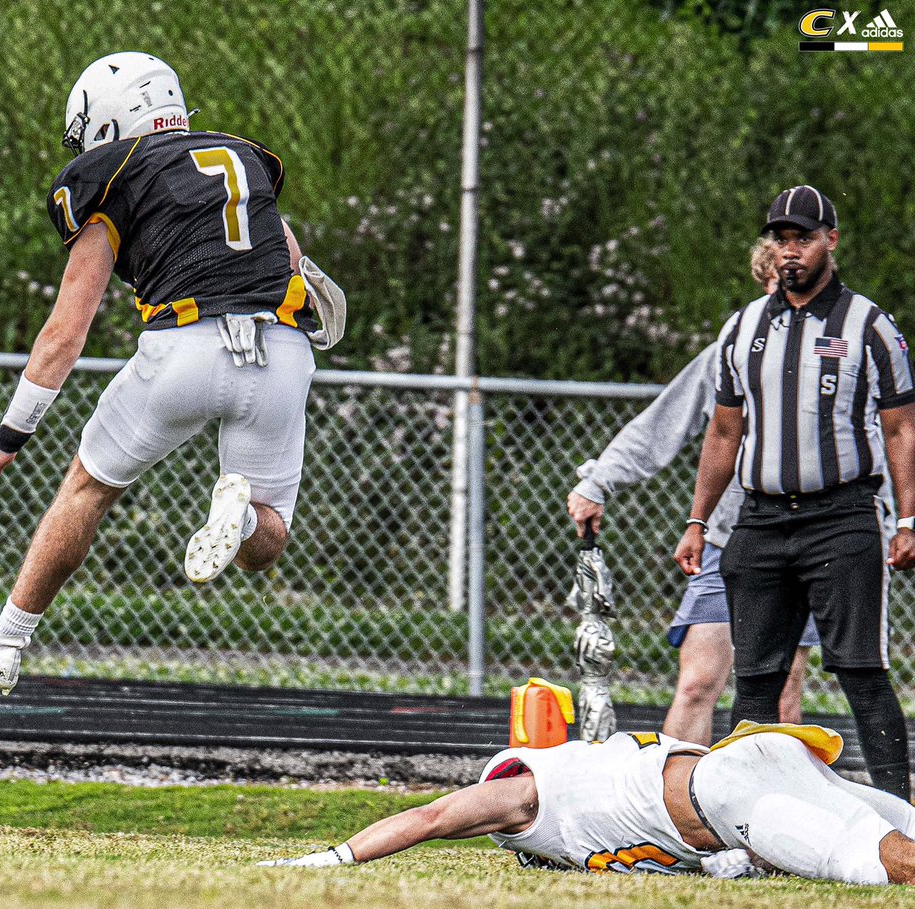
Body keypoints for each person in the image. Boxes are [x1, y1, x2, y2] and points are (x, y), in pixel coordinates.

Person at [0, 52, 342, 694]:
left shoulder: (112, 172)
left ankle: (6, 644)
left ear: (107, 122)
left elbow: (65, 331)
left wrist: (8, 439)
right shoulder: (242, 158)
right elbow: (293, 262)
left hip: (188, 343)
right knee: (268, 540)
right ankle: (237, 521)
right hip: (283, 350)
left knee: (87, 488)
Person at [675, 185, 915, 799]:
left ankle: (902, 819)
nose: (790, 252)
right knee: (755, 678)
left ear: (830, 242)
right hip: (759, 520)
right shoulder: (744, 325)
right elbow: (725, 428)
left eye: (803, 238)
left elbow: (900, 426)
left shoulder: (868, 324)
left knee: (861, 672)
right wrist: (698, 520)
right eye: (780, 239)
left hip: (842, 516)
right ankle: (744, 820)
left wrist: (909, 519)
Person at [566, 239, 819, 746]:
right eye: (776, 285)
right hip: (731, 541)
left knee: (784, 687)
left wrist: (892, 522)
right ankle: (677, 811)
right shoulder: (730, 351)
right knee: (698, 682)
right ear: (765, 285)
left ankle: (772, 811)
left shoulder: (834, 354)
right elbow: (660, 426)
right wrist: (598, 482)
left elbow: (879, 443)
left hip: (809, 540)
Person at [258, 725, 915, 884]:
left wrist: (332, 855)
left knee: (876, 860)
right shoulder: (582, 796)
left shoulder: (522, 792)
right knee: (897, 829)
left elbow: (430, 818)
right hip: (738, 769)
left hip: (722, 790)